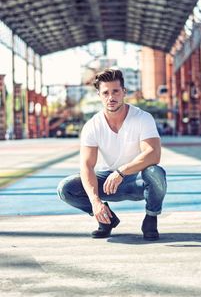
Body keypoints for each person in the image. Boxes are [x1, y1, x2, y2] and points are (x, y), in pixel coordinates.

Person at [57, 68, 167, 240]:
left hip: (136, 180)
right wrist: (95, 202)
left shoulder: (142, 118)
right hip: (107, 182)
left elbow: (153, 154)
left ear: (124, 92)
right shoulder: (92, 126)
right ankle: (106, 219)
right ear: (99, 95)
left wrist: (121, 171)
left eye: (115, 91)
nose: (111, 97)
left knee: (156, 173)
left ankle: (151, 218)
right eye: (105, 93)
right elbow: (86, 165)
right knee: (66, 188)